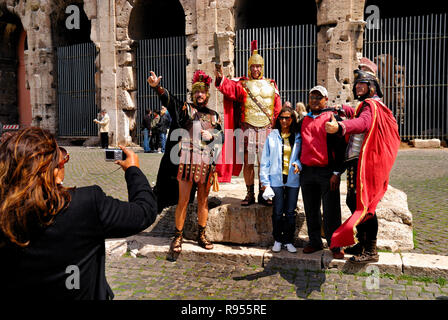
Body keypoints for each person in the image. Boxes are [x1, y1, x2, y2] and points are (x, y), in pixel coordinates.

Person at [0, 127, 157, 299]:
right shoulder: (86, 204)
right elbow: (144, 212)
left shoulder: (5, 214)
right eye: (63, 161)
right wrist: (133, 170)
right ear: (55, 173)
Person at [325, 67, 400, 263]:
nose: (358, 87)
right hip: (356, 161)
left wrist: (341, 126)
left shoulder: (370, 105)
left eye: (362, 84)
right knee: (353, 201)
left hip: (363, 163)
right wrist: (344, 110)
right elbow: (358, 114)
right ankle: (362, 241)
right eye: (357, 84)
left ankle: (371, 250)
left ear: (372, 88)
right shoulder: (366, 105)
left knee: (365, 206)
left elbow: (363, 123)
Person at [147, 70, 223, 255]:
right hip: (187, 161)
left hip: (206, 164)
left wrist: (212, 135)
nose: (199, 94)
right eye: (196, 91)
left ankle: (201, 235)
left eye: (203, 91)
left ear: (207, 94)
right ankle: (178, 235)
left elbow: (221, 138)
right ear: (193, 94)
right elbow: (170, 101)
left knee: (203, 202)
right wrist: (158, 88)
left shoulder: (215, 116)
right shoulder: (186, 109)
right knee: (183, 200)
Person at [215, 40, 282, 206]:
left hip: (266, 128)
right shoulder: (242, 85)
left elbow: (277, 109)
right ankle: (250, 193)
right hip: (248, 129)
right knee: (249, 162)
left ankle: (264, 192)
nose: (256, 69)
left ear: (263, 67)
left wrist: (277, 129)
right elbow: (229, 88)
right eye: (253, 66)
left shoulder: (271, 85)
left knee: (264, 163)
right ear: (249, 67)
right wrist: (221, 78)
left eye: (259, 66)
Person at [299, 85, 347, 259]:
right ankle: (314, 241)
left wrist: (337, 172)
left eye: (318, 97)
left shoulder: (332, 118)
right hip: (307, 172)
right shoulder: (303, 120)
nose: (314, 100)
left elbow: (341, 148)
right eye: (312, 97)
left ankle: (335, 244)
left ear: (325, 100)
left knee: (331, 210)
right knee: (311, 209)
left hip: (327, 172)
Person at [260, 106, 302, 253]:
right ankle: (277, 239)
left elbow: (302, 156)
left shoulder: (297, 136)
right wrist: (265, 182)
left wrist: (299, 164)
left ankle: (288, 240)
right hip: (276, 179)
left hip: (292, 179)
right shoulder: (272, 136)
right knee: (277, 211)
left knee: (290, 212)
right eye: (282, 118)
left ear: (292, 119)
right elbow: (265, 160)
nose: (284, 121)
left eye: (287, 118)